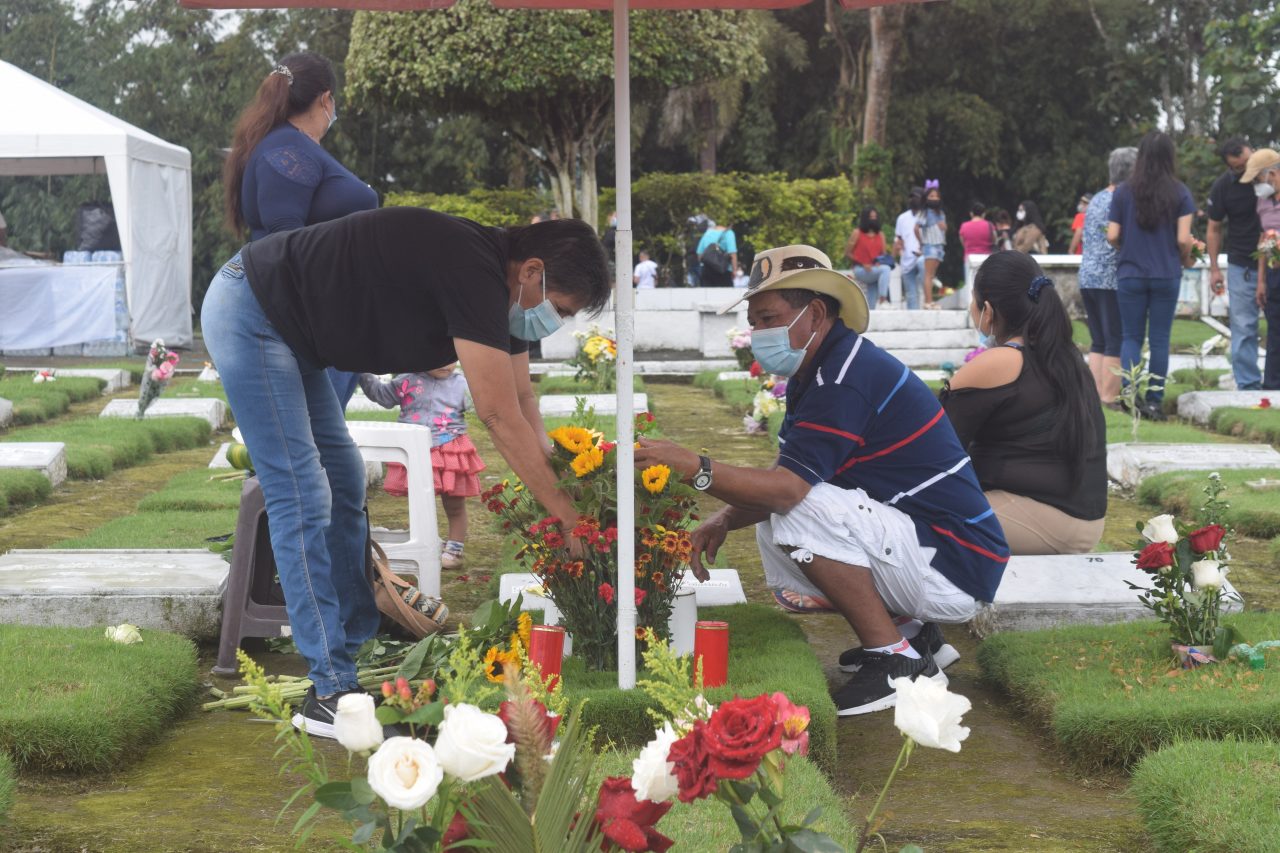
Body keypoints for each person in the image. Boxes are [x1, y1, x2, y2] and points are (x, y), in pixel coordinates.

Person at [202, 209, 610, 738]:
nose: (552, 320)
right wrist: (567, 515)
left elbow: (523, 401)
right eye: (558, 308)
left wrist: (565, 496)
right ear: (533, 271)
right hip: (253, 310)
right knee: (300, 492)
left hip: (294, 330)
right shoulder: (475, 272)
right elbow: (496, 415)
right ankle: (328, 690)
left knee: (345, 476)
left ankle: (356, 638)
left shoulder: (506, 297)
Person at [634, 244, 1007, 716]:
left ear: (813, 313)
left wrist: (697, 468)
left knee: (795, 511)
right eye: (755, 321)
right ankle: (915, 638)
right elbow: (788, 476)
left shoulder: (842, 379)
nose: (757, 334)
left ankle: (896, 663)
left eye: (768, 318)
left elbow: (789, 489)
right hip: (945, 553)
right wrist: (726, 520)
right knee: (781, 514)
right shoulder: (831, 365)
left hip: (953, 564)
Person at [223, 52, 377, 410]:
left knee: (323, 445)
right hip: (308, 321)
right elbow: (285, 243)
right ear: (326, 99)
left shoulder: (286, 147)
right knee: (307, 444)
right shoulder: (287, 151)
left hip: (320, 316)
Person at [940, 253, 1106, 555]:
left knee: (904, 514)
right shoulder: (1067, 357)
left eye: (973, 300)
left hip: (1045, 518)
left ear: (987, 311)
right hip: (1084, 520)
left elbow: (933, 447)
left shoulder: (1000, 361)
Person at [1108, 130, 1196, 421]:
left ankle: (1131, 397)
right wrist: (1183, 258)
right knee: (1159, 339)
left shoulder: (1123, 191)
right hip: (1166, 273)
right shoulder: (1180, 192)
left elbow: (1112, 235)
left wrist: (1128, 246)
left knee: (1131, 337)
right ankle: (1156, 402)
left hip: (1131, 272)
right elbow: (1184, 239)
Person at [358, 364, 482, 570]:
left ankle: (454, 549)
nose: (446, 364)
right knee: (420, 503)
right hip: (416, 450)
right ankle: (427, 542)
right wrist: (361, 371)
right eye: (438, 358)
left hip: (449, 449)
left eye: (451, 358)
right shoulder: (408, 380)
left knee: (455, 504)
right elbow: (382, 395)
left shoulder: (462, 384)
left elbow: (482, 406)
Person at [1079, 147, 1137, 406]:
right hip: (1110, 278)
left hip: (1088, 275)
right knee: (1115, 338)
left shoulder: (1098, 198)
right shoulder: (1123, 199)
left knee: (1099, 339)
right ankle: (1109, 395)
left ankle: (1095, 394)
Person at [1207, 138, 1264, 390]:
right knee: (1243, 326)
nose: (1246, 170)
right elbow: (1214, 228)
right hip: (1242, 262)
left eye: (1248, 162)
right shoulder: (1223, 187)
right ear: (1230, 167)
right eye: (1239, 167)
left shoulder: (1272, 177)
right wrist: (1214, 268)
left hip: (1274, 262)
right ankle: (1248, 384)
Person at [1243, 148, 1280, 390]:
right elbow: (1262, 240)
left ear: (1273, 174)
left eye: (1258, 179)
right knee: (1275, 330)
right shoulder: (1263, 202)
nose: (1257, 185)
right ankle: (1273, 386)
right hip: (1274, 271)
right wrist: (1261, 281)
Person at [846, 206, 890, 307]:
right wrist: (863, 263)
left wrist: (880, 262)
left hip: (874, 268)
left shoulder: (881, 235)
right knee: (886, 269)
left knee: (872, 297)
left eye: (875, 217)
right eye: (871, 217)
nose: (873, 219)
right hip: (861, 269)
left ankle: (871, 314)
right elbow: (848, 252)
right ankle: (883, 299)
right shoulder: (857, 233)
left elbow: (883, 254)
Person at [914, 181, 947, 309]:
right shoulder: (925, 212)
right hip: (930, 245)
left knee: (932, 275)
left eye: (936, 196)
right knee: (928, 274)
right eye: (931, 196)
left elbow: (945, 228)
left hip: (940, 246)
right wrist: (921, 242)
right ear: (926, 198)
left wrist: (944, 226)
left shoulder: (941, 213)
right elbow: (916, 228)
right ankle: (928, 301)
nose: (934, 198)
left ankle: (930, 301)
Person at [893, 188, 925, 309]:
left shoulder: (927, 216)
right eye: (911, 197)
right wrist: (896, 250)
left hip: (922, 257)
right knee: (911, 295)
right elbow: (898, 238)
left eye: (916, 197)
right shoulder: (902, 218)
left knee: (922, 289)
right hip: (906, 260)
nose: (913, 199)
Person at [696, 220, 738, 287]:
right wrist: (734, 270)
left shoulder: (707, 233)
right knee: (725, 295)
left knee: (708, 296)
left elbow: (699, 253)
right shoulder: (729, 233)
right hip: (723, 271)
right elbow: (732, 253)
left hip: (707, 271)